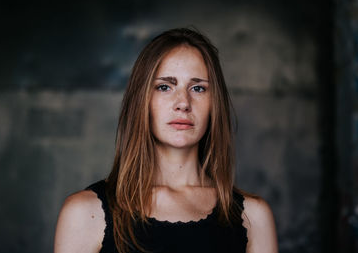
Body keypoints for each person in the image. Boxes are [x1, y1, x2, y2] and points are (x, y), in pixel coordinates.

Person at [54, 28, 278, 253]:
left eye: (198, 88)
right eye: (164, 87)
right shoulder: (84, 213)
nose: (183, 102)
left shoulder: (253, 218)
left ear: (214, 104)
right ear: (142, 100)